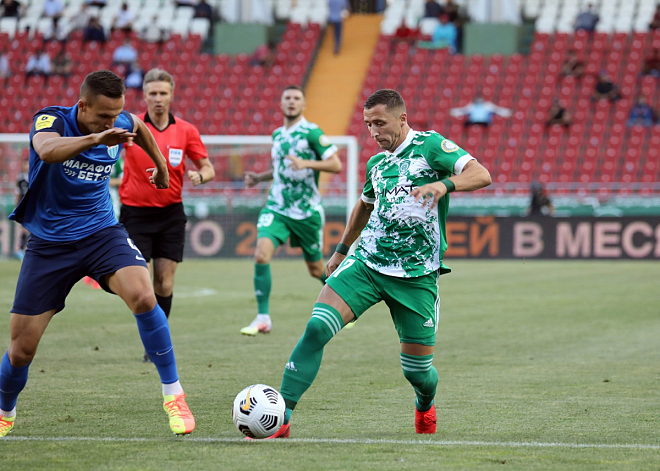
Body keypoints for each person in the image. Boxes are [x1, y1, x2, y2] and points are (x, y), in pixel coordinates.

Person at [261, 88, 491, 439]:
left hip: (415, 276)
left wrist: (444, 185)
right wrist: (341, 250)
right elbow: (364, 205)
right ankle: (282, 417)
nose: (373, 132)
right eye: (368, 124)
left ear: (402, 119)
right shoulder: (377, 164)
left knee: (417, 372)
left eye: (380, 123)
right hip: (367, 263)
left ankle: (425, 402)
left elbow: (481, 174)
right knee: (317, 328)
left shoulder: (430, 146)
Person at [0, 69, 195, 438]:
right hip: (50, 243)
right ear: (83, 106)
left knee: (144, 295)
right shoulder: (52, 120)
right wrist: (96, 138)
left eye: (115, 115)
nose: (111, 122)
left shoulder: (119, 121)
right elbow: (47, 150)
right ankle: (4, 410)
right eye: (104, 115)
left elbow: (138, 125)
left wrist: (161, 166)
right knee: (21, 349)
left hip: (100, 233)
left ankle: (174, 395)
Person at [119, 68, 214, 362]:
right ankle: (152, 336)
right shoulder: (129, 127)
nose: (158, 98)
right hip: (135, 214)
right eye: (153, 93)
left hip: (170, 214)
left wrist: (201, 176)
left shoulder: (186, 131)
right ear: (144, 96)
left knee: (164, 283)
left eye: (163, 93)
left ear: (172, 95)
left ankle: (156, 344)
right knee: (140, 286)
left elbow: (207, 167)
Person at [241, 85, 342, 336]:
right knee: (261, 254)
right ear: (281, 103)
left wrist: (305, 163)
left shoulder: (311, 132)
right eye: (287, 98)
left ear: (303, 104)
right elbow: (281, 169)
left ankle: (345, 302)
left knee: (316, 269)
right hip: (277, 207)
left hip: (306, 211)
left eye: (296, 98)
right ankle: (263, 318)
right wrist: (259, 178)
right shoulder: (277, 135)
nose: (291, 102)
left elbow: (335, 164)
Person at [13, 159, 29, 260]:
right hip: (24, 208)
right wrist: (16, 207)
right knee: (24, 229)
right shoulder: (21, 179)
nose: (27, 166)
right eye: (25, 164)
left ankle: (25, 249)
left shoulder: (35, 175)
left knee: (29, 230)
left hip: (34, 208)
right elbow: (18, 194)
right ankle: (21, 250)